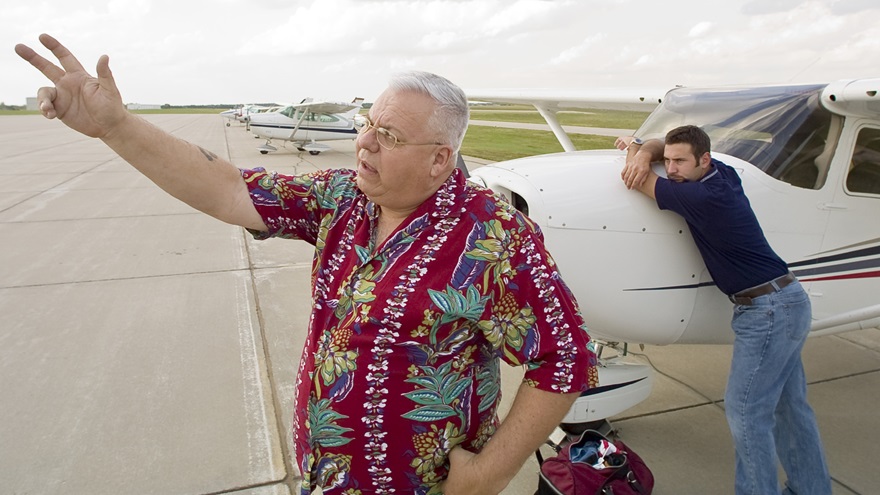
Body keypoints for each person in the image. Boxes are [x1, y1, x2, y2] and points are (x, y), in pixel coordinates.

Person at [15, 34, 599, 494]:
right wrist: (117, 128)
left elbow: (566, 357)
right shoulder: (344, 200)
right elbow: (225, 189)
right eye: (368, 122)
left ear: (440, 159)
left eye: (389, 135)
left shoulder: (493, 238)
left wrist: (492, 472)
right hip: (326, 473)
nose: (365, 142)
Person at [620, 125, 831, 495]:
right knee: (791, 408)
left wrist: (636, 153)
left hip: (767, 312)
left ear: (703, 159)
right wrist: (644, 149)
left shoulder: (700, 197)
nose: (671, 169)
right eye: (667, 161)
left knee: (746, 413)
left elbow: (635, 180)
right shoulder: (723, 174)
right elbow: (655, 149)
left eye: (680, 162)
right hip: (788, 301)